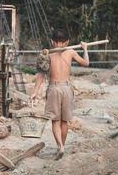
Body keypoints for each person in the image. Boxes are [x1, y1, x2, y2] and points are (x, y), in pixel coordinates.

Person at [31, 29, 89, 160]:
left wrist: (35, 92)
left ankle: (60, 146)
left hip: (54, 88)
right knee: (64, 121)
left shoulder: (47, 55)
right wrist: (85, 49)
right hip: (67, 89)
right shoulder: (71, 52)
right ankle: (62, 145)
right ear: (67, 42)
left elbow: (40, 75)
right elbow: (86, 63)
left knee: (55, 121)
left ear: (52, 42)